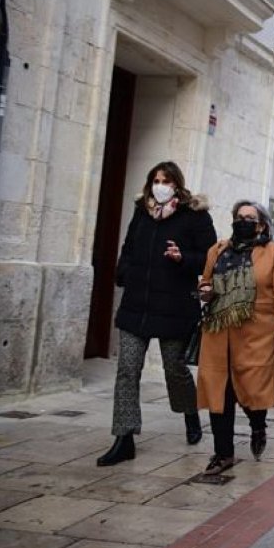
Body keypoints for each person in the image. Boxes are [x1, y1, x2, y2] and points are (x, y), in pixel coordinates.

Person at [98, 162, 217, 466]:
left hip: (174, 307)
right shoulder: (143, 211)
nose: (160, 185)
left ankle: (190, 414)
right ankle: (124, 438)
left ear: (177, 184)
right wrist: (124, 273)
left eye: (166, 181)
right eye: (155, 180)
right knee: (127, 371)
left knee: (174, 369)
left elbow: (210, 257)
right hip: (136, 305)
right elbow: (128, 247)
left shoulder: (195, 216)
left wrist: (183, 258)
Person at [196, 201, 274, 476]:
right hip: (218, 332)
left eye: (249, 218)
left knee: (252, 391)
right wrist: (204, 290)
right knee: (219, 392)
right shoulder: (218, 250)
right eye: (239, 217)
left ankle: (257, 424)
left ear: (261, 224)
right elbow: (205, 280)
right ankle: (223, 453)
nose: (243, 221)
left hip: (257, 334)